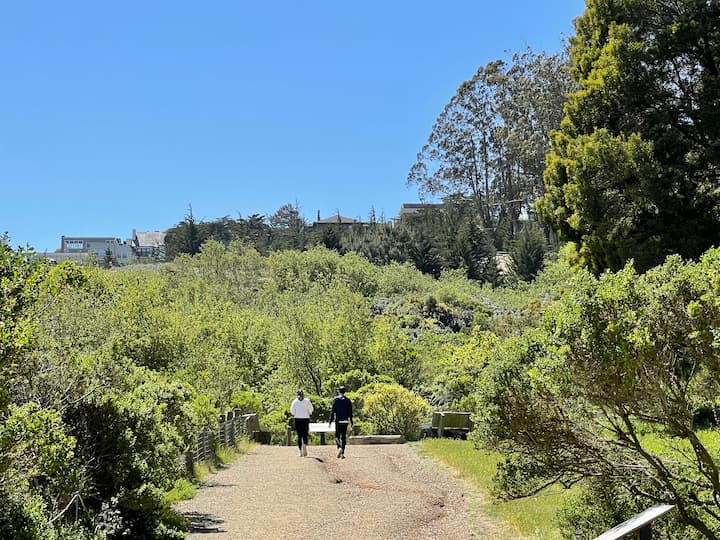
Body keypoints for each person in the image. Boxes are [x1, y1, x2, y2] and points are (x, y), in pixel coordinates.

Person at [328, 386, 353, 458]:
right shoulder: (348, 400)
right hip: (345, 421)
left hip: (338, 420)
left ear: (339, 391)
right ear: (345, 392)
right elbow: (350, 412)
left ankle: (339, 447)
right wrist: (351, 422)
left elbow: (332, 411)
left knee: (337, 436)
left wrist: (330, 421)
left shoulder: (336, 400)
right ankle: (342, 452)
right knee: (343, 436)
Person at [290, 389, 313, 457]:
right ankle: (304, 446)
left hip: (298, 419)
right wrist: (308, 413)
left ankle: (300, 451)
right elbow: (311, 410)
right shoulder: (307, 401)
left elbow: (292, 411)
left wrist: (296, 413)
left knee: (299, 436)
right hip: (305, 419)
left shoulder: (294, 402)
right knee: (305, 434)